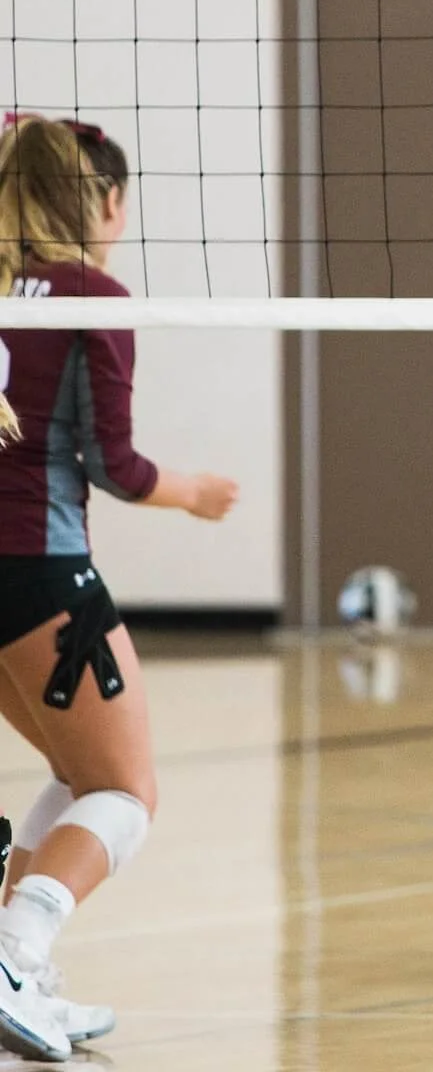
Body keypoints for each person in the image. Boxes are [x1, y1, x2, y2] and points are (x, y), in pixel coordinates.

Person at [0, 115, 240, 1061]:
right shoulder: (91, 293)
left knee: (77, 775)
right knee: (127, 794)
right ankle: (16, 952)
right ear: (104, 201)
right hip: (42, 578)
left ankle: (20, 970)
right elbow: (114, 463)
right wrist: (193, 495)